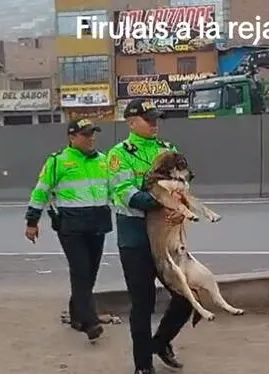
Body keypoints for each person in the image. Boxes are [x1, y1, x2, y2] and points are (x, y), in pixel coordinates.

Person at [107, 98, 192, 374]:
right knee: (143, 303)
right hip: (135, 238)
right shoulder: (120, 154)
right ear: (131, 122)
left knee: (186, 296)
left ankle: (161, 342)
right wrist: (167, 201)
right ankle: (143, 365)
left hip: (166, 234)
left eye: (156, 118)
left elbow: (182, 184)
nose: (155, 123)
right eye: (148, 119)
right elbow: (126, 194)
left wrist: (182, 206)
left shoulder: (168, 149)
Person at [24, 118, 112, 342]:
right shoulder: (58, 162)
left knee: (90, 273)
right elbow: (41, 191)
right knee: (81, 271)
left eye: (93, 134)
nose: (91, 138)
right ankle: (90, 322)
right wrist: (32, 221)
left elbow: (115, 190)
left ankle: (76, 316)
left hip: (97, 224)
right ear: (72, 137)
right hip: (71, 227)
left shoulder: (103, 161)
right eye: (86, 134)